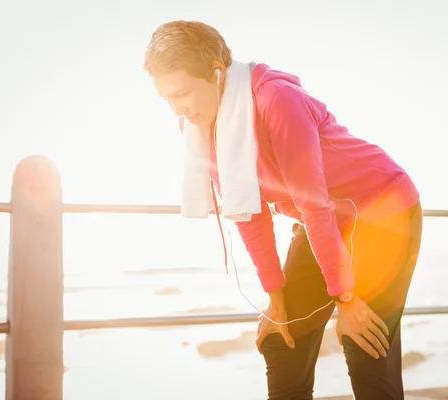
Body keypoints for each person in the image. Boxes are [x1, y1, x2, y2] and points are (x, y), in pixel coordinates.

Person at [143, 20, 422, 400]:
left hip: (382, 211)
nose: (179, 109)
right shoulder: (199, 125)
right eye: (168, 99)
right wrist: (275, 295)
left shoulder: (276, 99)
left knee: (363, 343)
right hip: (323, 222)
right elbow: (248, 213)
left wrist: (346, 299)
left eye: (184, 93)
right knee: (280, 338)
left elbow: (313, 202)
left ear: (217, 73)